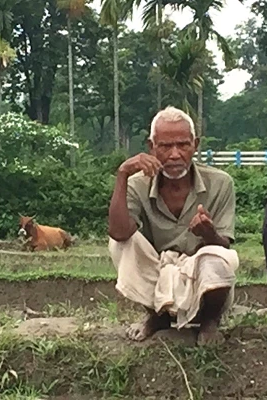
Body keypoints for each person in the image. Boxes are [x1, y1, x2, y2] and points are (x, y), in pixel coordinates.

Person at [108, 105, 239, 346]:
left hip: (200, 279)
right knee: (120, 245)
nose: (175, 155)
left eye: (183, 145)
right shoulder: (137, 184)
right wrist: (122, 174)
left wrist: (208, 233)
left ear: (195, 145)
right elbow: (118, 232)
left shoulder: (221, 183)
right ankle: (157, 318)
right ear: (151, 147)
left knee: (223, 256)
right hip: (156, 276)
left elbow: (224, 247)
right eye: (165, 146)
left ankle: (209, 321)